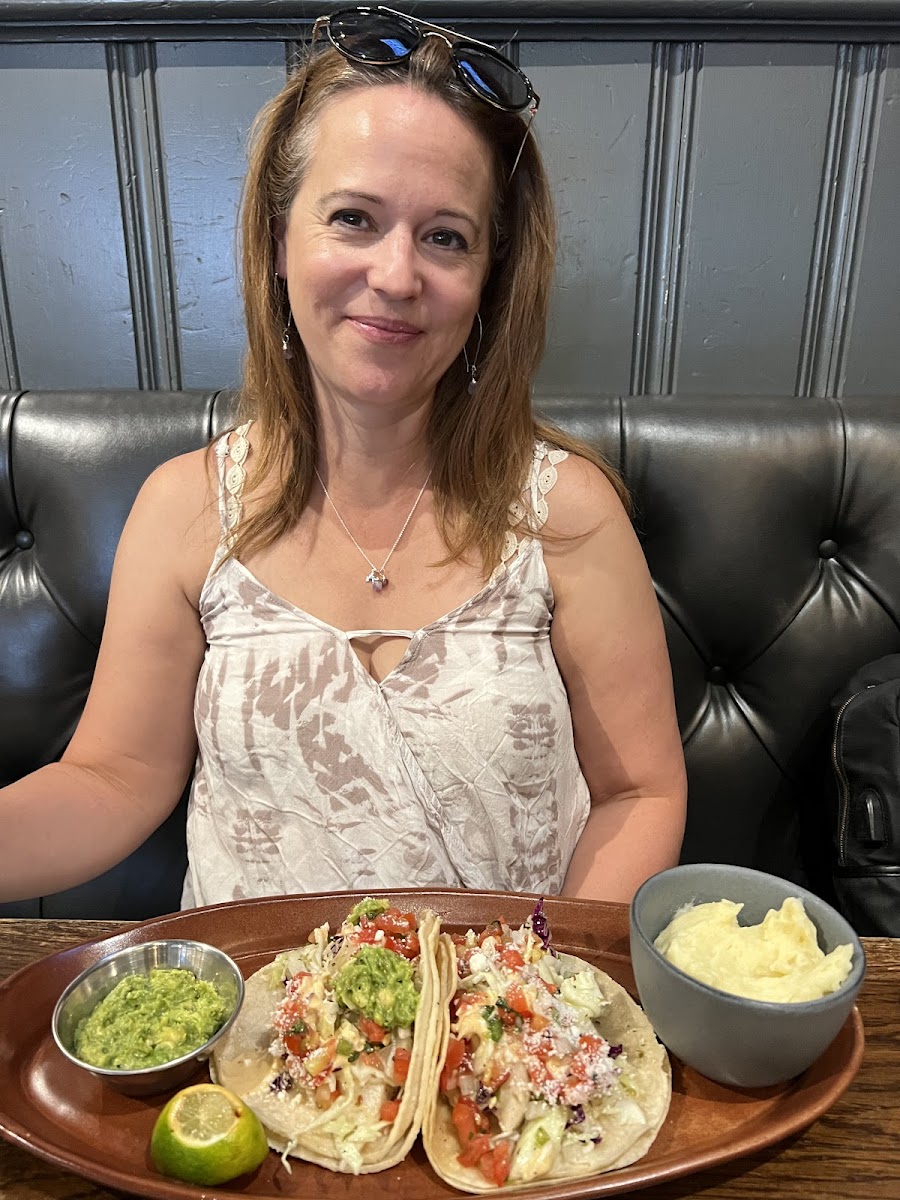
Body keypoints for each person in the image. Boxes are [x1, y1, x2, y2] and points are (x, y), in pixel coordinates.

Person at [1, 6, 685, 908]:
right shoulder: (185, 507)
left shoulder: (567, 510)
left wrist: (548, 985)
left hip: (503, 1030)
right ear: (278, 241)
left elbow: (642, 792)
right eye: (354, 219)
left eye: (446, 236)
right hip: (252, 1025)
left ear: (489, 280)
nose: (398, 276)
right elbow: (114, 778)